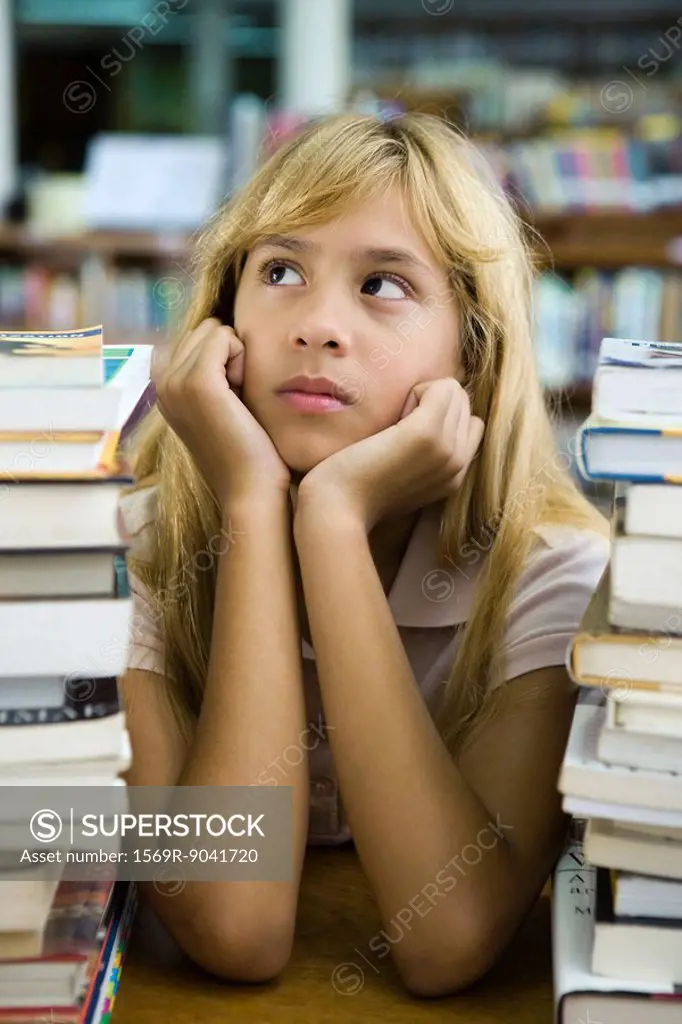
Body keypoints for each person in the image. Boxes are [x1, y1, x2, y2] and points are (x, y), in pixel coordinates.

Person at [118, 112, 609, 996]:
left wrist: (333, 523)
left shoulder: (551, 576)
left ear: (476, 351)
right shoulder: (130, 557)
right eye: (280, 271)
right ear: (222, 321)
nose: (318, 326)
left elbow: (448, 940)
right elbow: (234, 922)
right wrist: (249, 504)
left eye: (383, 284)